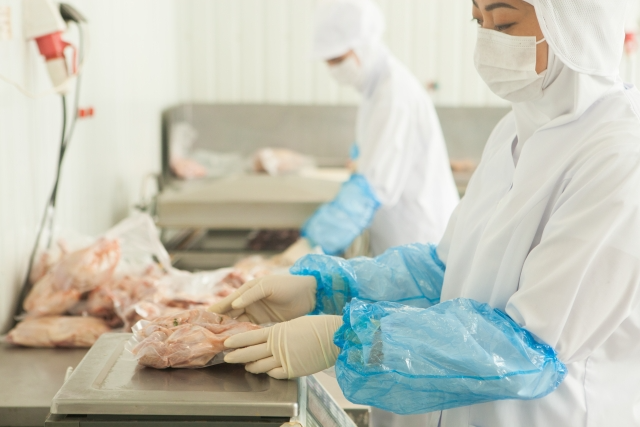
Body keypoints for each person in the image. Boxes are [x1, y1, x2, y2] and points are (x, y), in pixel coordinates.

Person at [210, 0, 640, 425]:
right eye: (478, 20)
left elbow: (524, 349)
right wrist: (326, 287)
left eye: (504, 22)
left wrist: (344, 342)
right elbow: (442, 272)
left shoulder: (619, 155)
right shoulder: (513, 129)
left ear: (576, 23)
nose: (487, 41)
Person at [299, 0, 459, 257]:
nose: (333, 68)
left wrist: (313, 242)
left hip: (420, 240)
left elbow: (372, 187)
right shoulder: (376, 90)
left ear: (364, 47)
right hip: (403, 241)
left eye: (338, 59)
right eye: (327, 61)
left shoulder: (393, 95)